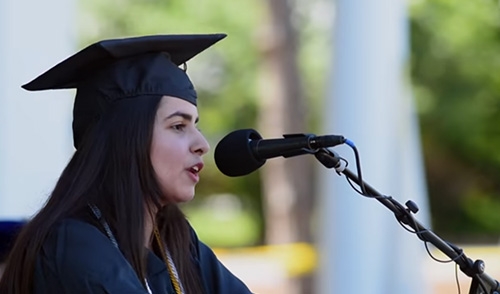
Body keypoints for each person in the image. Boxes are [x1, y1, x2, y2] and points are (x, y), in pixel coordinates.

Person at [0, 33, 253, 294]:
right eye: (178, 126)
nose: (202, 144)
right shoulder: (72, 243)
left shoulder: (175, 241)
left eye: (195, 125)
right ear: (125, 137)